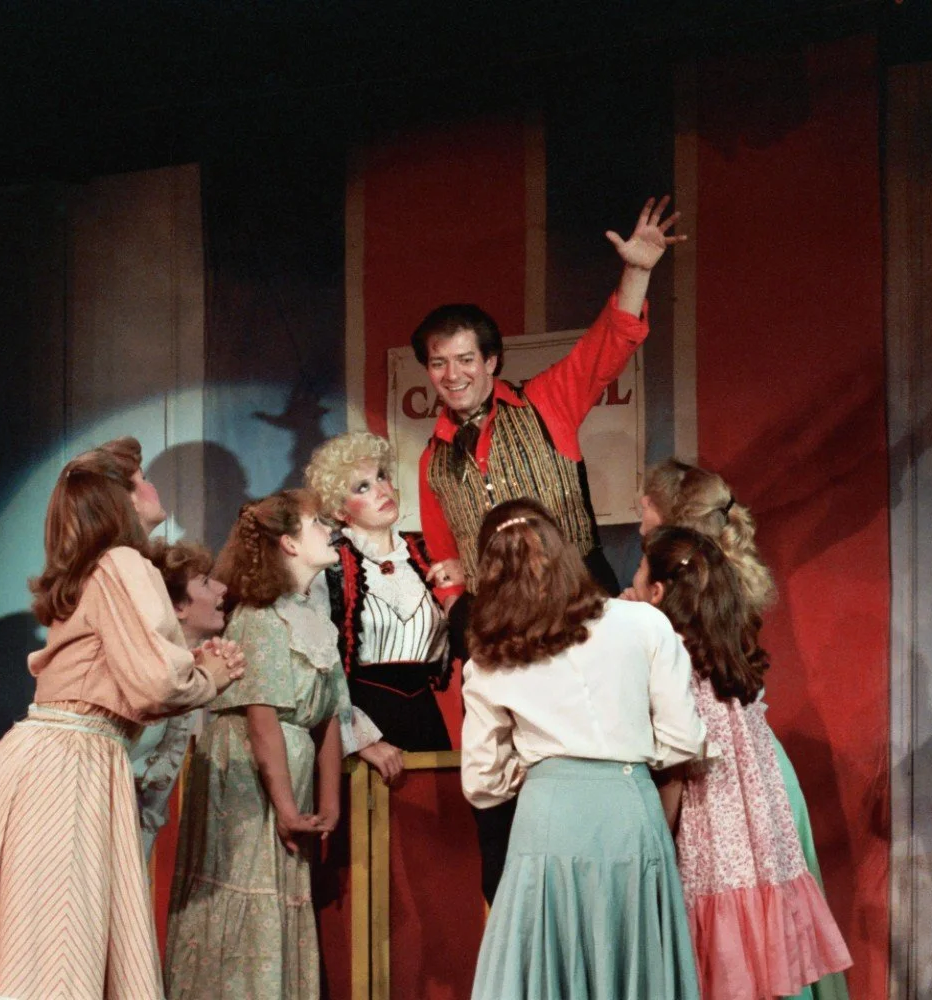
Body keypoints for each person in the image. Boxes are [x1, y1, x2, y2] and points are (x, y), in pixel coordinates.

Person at [415, 194, 685, 901]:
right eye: (439, 363)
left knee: (598, 752)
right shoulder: (433, 460)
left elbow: (610, 343)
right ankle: (517, 917)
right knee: (505, 793)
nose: (453, 374)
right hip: (500, 628)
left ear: (492, 360)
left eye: (465, 358)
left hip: (578, 607)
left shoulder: (545, 404)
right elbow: (442, 551)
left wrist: (639, 272)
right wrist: (459, 607)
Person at [0, 438, 243, 1000]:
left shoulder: (99, 566)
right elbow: (157, 681)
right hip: (68, 766)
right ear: (124, 499)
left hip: (45, 757)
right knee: (58, 943)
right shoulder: (124, 562)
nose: (153, 486)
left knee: (37, 941)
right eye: (141, 477)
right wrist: (207, 675)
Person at [461, 499, 710, 1000]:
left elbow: (482, 784)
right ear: (565, 551)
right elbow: (684, 739)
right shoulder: (643, 624)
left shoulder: (490, 658)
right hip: (629, 811)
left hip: (548, 819)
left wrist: (544, 768)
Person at [635, 456, 850, 1000]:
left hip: (718, 782)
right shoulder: (720, 591)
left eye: (645, 513)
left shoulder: (676, 624)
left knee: (733, 920)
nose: (639, 526)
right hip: (760, 776)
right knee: (760, 914)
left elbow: (682, 747)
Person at [165, 489, 351, 1000]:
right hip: (250, 776)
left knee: (280, 899)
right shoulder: (260, 616)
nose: (329, 528)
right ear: (288, 544)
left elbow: (332, 716)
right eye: (316, 523)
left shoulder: (318, 623)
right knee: (246, 901)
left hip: (294, 770)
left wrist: (330, 805)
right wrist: (289, 809)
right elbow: (262, 719)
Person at [306, 431, 454, 753]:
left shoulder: (424, 557)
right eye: (363, 487)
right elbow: (317, 672)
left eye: (382, 477)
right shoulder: (330, 569)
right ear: (341, 511)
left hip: (424, 719)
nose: (382, 490)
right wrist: (361, 743)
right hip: (364, 724)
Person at [130, 540, 230, 856]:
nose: (221, 588)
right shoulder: (149, 670)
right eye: (204, 581)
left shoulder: (185, 666)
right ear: (177, 606)